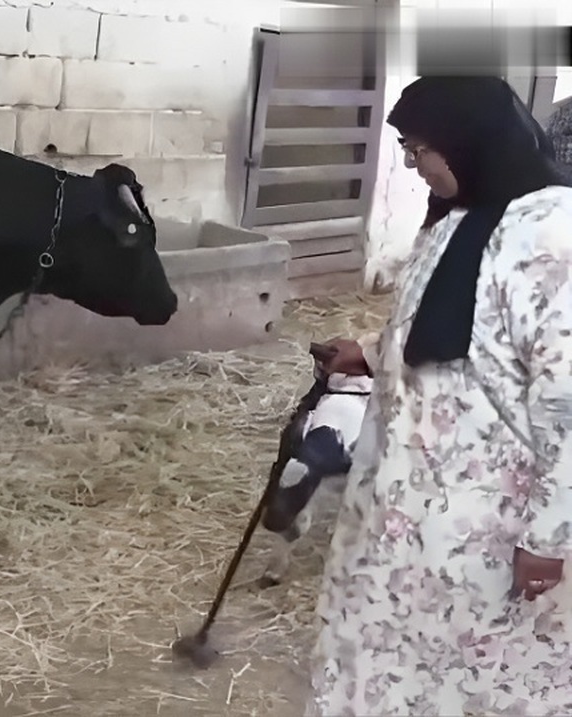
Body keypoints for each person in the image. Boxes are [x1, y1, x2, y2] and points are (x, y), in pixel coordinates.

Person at [304, 75, 572, 715]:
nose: (413, 165)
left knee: (480, 671)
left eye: (420, 149)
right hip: (410, 497)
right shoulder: (462, 214)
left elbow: (566, 400)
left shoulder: (552, 235)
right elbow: (448, 320)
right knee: (392, 653)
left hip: (489, 520)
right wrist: (369, 353)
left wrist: (550, 536)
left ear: (468, 142)